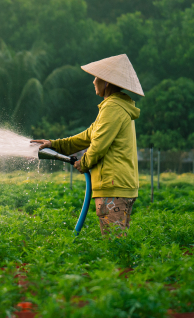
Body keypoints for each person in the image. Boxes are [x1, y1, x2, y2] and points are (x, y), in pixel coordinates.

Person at [31, 54, 144, 237]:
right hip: (118, 185)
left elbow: (98, 146)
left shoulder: (112, 108)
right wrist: (54, 144)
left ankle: (119, 267)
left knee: (114, 243)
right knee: (118, 241)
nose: (93, 82)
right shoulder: (115, 107)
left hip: (113, 186)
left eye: (96, 78)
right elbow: (87, 136)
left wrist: (83, 163)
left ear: (106, 82)